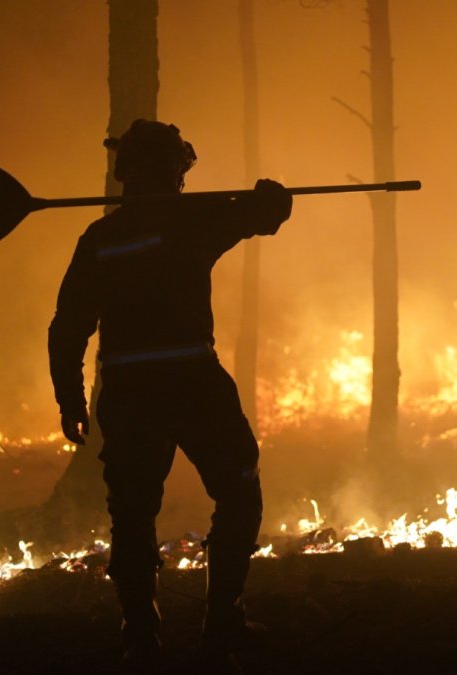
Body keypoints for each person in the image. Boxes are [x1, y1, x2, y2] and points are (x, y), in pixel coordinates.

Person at [48, 118, 292, 672]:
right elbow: (267, 215)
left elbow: (67, 327)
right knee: (239, 491)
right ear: (173, 172)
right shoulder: (192, 222)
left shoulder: (100, 240)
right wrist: (270, 197)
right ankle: (222, 627)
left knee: (132, 516)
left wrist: (70, 398)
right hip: (192, 382)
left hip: (129, 391)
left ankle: (140, 639)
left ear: (124, 173)